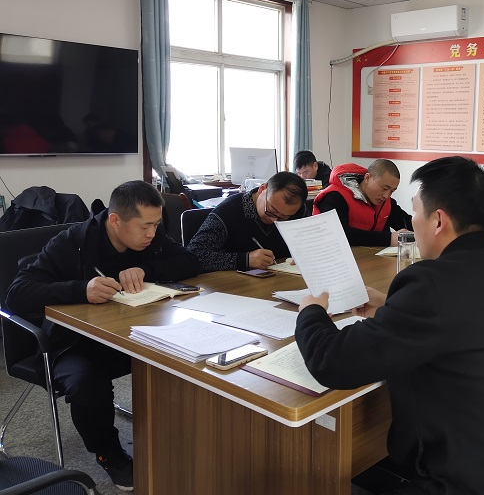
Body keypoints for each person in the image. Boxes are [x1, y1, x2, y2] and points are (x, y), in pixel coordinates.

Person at [296, 156, 484, 494]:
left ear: (439, 221)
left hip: (481, 484)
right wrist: (392, 308)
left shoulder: (433, 285)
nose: (412, 222)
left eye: (416, 211)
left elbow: (332, 361)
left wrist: (311, 313)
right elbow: (467, 318)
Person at [6, 180, 201, 491]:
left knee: (184, 350)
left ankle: (175, 433)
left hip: (129, 332)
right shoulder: (73, 241)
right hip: (72, 342)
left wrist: (146, 271)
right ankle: (108, 453)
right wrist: (80, 290)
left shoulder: (151, 236)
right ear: (115, 220)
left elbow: (190, 260)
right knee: (87, 383)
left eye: (156, 225)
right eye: (145, 226)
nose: (152, 234)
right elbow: (17, 294)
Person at [187, 171, 307, 272]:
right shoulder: (229, 211)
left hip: (284, 280)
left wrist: (306, 255)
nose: (274, 220)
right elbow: (193, 255)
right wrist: (245, 260)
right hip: (234, 286)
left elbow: (311, 244)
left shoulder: (298, 212)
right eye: (271, 211)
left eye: (283, 217)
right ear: (262, 189)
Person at [313, 159, 412, 247]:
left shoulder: (384, 202)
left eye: (392, 191)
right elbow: (339, 234)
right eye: (384, 188)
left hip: (370, 257)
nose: (386, 195)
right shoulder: (335, 196)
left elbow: (406, 222)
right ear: (367, 178)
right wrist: (388, 239)